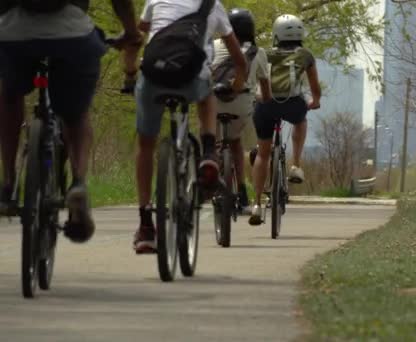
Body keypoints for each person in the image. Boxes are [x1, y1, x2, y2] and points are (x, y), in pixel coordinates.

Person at [0, 0, 142, 243]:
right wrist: (130, 31)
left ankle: (8, 182)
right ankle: (78, 182)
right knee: (76, 114)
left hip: (13, 35)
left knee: (9, 95)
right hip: (73, 36)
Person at [128, 0, 247, 254]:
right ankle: (208, 153)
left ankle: (146, 225)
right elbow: (239, 59)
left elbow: (138, 34)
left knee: (145, 144)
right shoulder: (213, 5)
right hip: (192, 79)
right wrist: (237, 85)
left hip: (154, 77)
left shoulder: (155, 0)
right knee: (207, 98)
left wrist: (129, 71)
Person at [249, 14, 321, 226]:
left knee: (263, 153)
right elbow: (315, 88)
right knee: (301, 120)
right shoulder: (305, 55)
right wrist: (314, 101)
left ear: (276, 34)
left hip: (265, 104)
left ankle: (257, 204)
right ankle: (295, 165)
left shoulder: (263, 54)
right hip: (292, 104)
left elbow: (253, 81)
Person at [211, 8, 272, 215]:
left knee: (214, 140)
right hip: (242, 105)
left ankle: (212, 177)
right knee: (236, 142)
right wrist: (259, 98)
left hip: (214, 102)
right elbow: (266, 92)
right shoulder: (259, 53)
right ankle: (242, 195)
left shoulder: (214, 45)